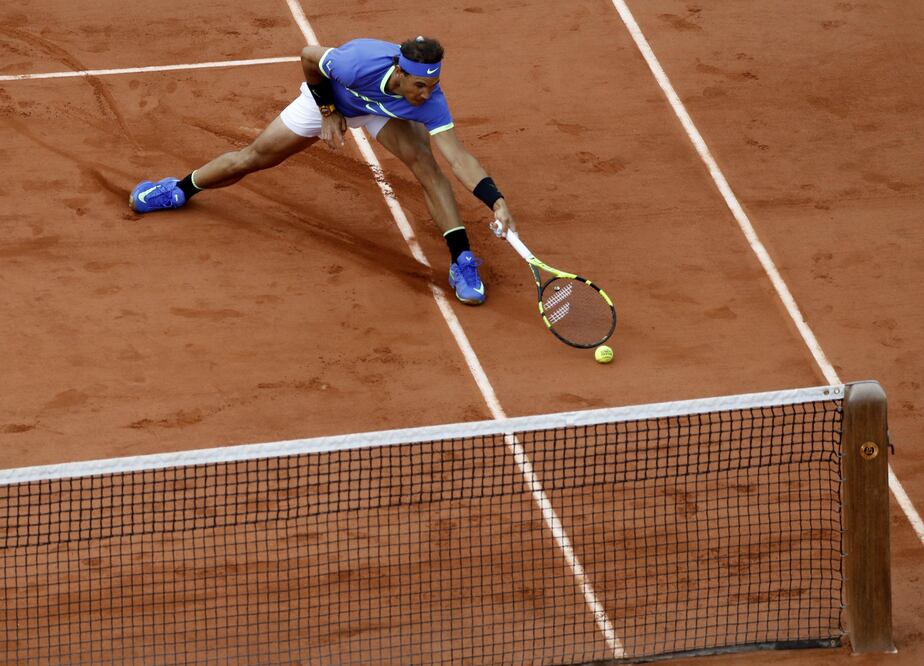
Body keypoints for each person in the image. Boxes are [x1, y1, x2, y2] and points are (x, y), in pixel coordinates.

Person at [129, 36, 516, 305]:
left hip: (381, 112)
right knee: (256, 157)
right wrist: (328, 112)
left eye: (433, 85)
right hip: (332, 99)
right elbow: (308, 57)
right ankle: (178, 189)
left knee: (427, 167)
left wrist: (495, 200)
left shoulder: (428, 100)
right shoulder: (356, 62)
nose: (427, 95)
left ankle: (462, 261)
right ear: (399, 72)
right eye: (420, 86)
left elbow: (458, 158)